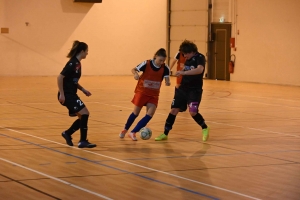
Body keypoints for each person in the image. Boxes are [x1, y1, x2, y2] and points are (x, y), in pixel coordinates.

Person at [155, 40, 210, 142]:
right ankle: (165, 133)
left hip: (194, 90)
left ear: (191, 51)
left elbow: (199, 70)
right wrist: (180, 75)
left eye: (185, 54)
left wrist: (184, 73)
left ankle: (205, 127)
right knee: (173, 110)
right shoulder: (187, 60)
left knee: (193, 112)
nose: (184, 56)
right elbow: (185, 71)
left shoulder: (200, 58)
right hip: (182, 89)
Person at [119, 48, 171, 141]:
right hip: (142, 92)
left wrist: (168, 82)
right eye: (160, 60)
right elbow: (133, 69)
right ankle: (125, 129)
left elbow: (167, 79)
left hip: (154, 95)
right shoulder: (146, 63)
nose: (161, 62)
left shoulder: (165, 68)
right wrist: (135, 74)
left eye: (163, 61)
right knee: (136, 113)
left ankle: (133, 132)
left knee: (150, 114)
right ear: (155, 57)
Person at [57, 40, 96, 148]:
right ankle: (82, 141)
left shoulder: (77, 63)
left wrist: (82, 89)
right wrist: (62, 94)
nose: (87, 53)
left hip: (71, 94)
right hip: (67, 95)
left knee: (82, 117)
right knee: (85, 113)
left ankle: (68, 133)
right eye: (87, 51)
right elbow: (60, 77)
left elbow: (72, 80)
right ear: (82, 51)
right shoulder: (72, 63)